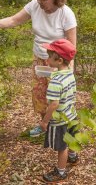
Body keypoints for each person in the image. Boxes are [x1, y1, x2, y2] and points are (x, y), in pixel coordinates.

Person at [0, 0, 77, 137]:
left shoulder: (66, 14)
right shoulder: (34, 5)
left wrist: (68, 72)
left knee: (59, 98)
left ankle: (64, 131)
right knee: (39, 95)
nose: (39, 1)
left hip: (58, 62)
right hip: (39, 58)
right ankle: (44, 126)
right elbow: (13, 20)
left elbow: (72, 47)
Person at [40, 38, 79, 183]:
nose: (47, 59)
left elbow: (54, 104)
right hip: (71, 115)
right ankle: (73, 158)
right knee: (72, 139)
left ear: (60, 61)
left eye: (50, 56)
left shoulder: (56, 82)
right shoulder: (70, 73)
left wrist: (45, 121)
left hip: (60, 120)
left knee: (62, 147)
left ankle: (61, 172)